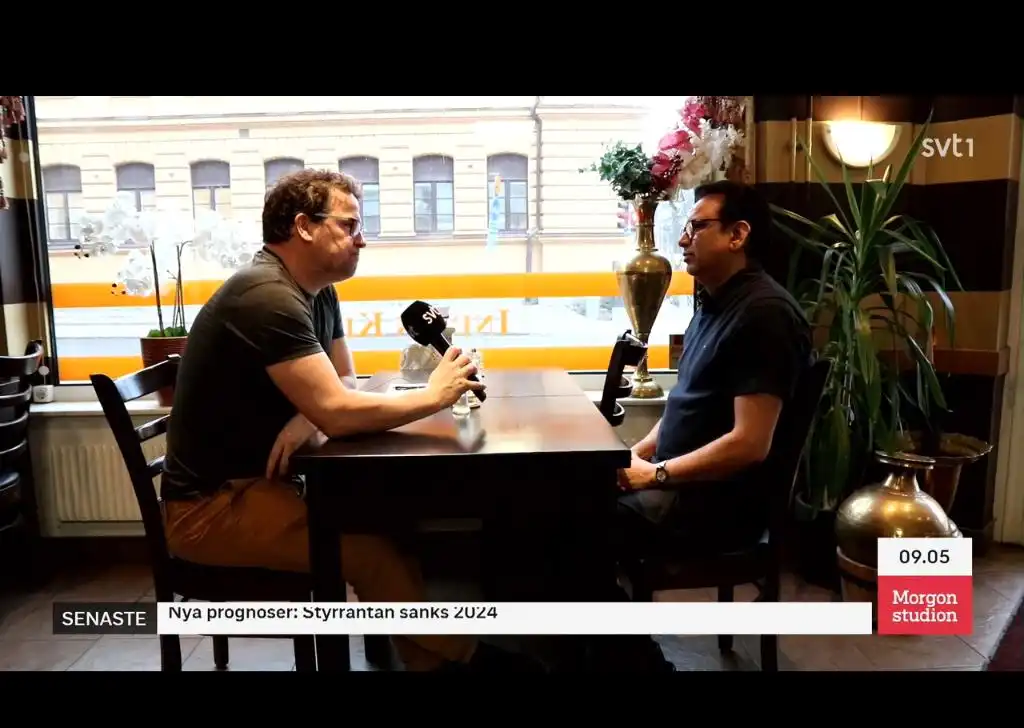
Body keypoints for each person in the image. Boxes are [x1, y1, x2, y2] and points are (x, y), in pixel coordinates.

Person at [160, 169, 536, 672]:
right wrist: (434, 396)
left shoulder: (317, 290)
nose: (362, 239)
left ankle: (433, 664)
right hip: (210, 509)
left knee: (393, 526)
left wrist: (310, 415)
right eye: (349, 225)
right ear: (304, 227)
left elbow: (343, 382)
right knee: (372, 552)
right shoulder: (265, 296)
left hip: (261, 487)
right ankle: (477, 658)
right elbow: (338, 411)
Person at [615, 179, 812, 563]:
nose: (683, 241)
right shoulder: (714, 306)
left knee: (574, 516)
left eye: (697, 227)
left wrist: (654, 474)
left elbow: (749, 443)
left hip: (714, 508)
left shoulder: (765, 315)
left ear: (737, 235)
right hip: (678, 486)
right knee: (571, 490)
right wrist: (635, 456)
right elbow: (685, 404)